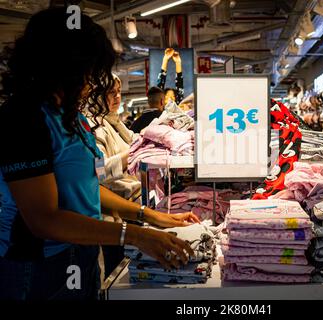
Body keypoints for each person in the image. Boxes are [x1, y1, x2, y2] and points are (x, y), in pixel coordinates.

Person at [0, 7, 199, 300]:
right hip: (38, 267)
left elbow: (88, 187)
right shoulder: (24, 118)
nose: (92, 79)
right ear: (62, 64)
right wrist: (134, 234)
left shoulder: (69, 115)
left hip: (82, 250)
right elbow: (43, 219)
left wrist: (149, 216)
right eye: (88, 68)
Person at [86, 74, 141, 279]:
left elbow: (134, 141)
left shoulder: (113, 122)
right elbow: (98, 170)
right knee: (116, 275)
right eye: (111, 92)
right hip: (113, 212)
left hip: (127, 208)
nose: (117, 97)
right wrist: (133, 155)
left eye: (119, 92)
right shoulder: (93, 126)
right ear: (96, 95)